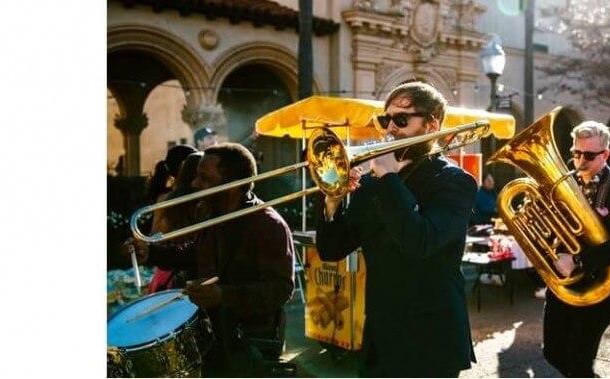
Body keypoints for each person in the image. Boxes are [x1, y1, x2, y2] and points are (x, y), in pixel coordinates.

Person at [315, 82, 476, 377]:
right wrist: (332, 202)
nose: (390, 128)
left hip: (431, 338)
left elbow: (419, 241)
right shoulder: (373, 183)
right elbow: (332, 248)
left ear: (431, 125)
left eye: (401, 120)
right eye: (384, 119)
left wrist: (388, 176)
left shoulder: (454, 181)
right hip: (380, 334)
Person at [125, 143, 295, 377]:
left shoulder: (268, 225)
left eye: (205, 178)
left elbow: (281, 288)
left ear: (231, 184)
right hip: (212, 337)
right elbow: (194, 254)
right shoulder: (212, 213)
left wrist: (223, 295)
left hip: (250, 343)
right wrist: (151, 253)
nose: (195, 184)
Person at [542, 121, 610, 378]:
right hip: (566, 284)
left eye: (588, 155)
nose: (580, 161)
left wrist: (577, 259)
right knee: (552, 352)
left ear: (605, 154)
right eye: (576, 154)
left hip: (602, 286)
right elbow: (552, 230)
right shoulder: (564, 184)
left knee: (578, 361)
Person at [147, 152, 202, 294]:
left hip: (167, 270)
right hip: (191, 273)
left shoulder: (166, 199)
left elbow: (155, 235)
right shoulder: (205, 204)